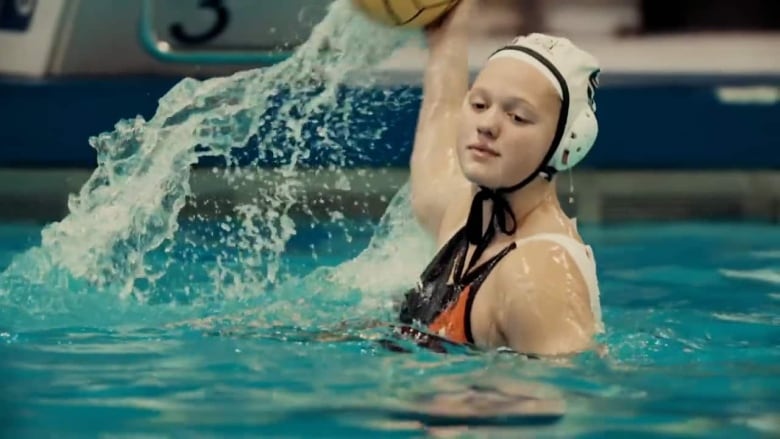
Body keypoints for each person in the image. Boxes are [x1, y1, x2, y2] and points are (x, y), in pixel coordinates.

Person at [396, 0, 604, 357]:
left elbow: (572, 399)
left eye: (518, 117)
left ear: (568, 144)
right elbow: (442, 111)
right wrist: (447, 26)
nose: (487, 125)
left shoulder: (534, 276)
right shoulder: (463, 213)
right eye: (479, 105)